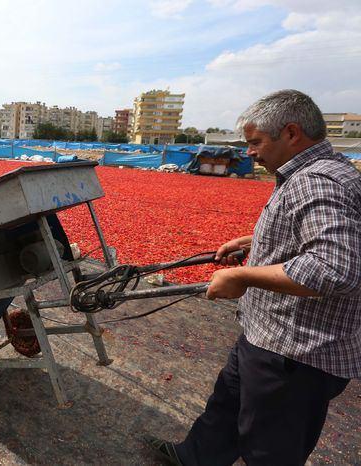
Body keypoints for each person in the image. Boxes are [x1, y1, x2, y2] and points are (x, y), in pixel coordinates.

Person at [147, 90, 361, 465]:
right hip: (267, 335)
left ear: (291, 133)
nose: (248, 152)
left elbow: (333, 267)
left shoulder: (317, 181)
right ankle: (193, 458)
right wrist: (258, 241)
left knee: (270, 448)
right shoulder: (328, 171)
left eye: (255, 142)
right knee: (226, 407)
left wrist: (243, 276)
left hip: (294, 353)